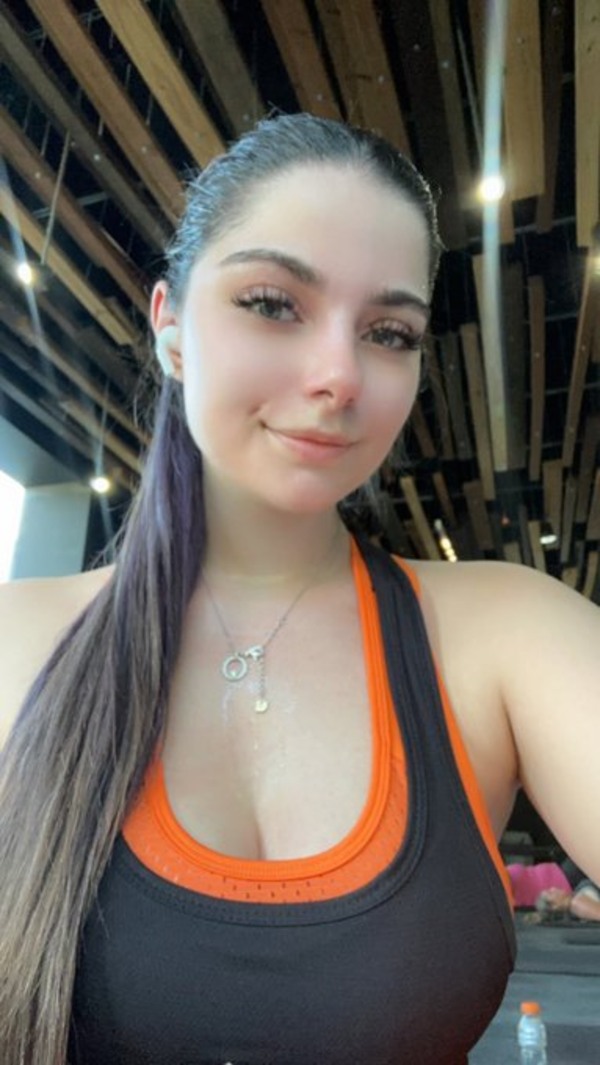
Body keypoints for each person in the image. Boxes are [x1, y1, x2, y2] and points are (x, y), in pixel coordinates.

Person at [0, 113, 598, 1065]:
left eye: (389, 332)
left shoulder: (507, 631)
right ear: (171, 329)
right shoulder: (17, 645)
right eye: (273, 303)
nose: (339, 376)